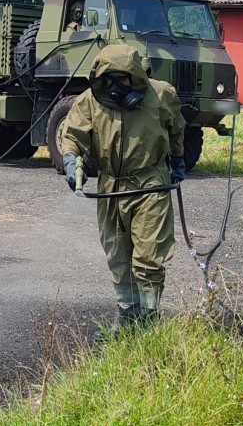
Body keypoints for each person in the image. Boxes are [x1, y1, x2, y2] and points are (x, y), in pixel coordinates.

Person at [60, 43, 186, 338]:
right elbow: (73, 135)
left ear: (137, 77)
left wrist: (178, 160)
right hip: (110, 186)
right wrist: (70, 160)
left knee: (148, 257)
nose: (116, 88)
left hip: (150, 185)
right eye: (110, 81)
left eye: (124, 80)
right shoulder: (90, 101)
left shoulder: (161, 94)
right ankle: (126, 320)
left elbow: (177, 127)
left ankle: (148, 322)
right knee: (118, 256)